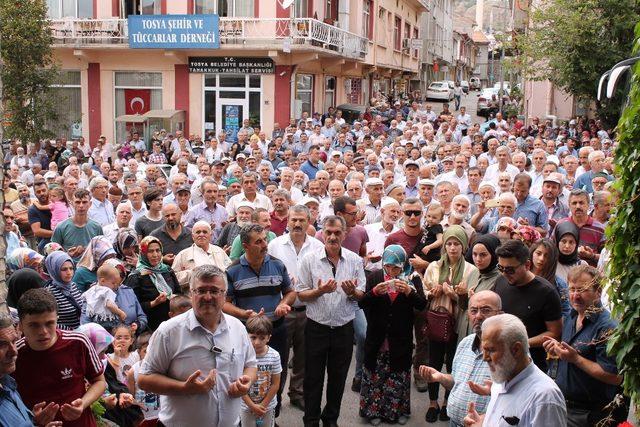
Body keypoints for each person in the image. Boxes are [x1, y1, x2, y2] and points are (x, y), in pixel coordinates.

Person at [138, 265, 257, 426]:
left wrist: (246, 382)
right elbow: (144, 379)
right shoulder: (168, 332)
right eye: (201, 291)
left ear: (224, 295)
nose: (207, 297)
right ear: (191, 293)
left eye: (214, 291)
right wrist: (184, 388)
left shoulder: (238, 328)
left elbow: (250, 365)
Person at [297, 215, 366, 427]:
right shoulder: (308, 259)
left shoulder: (354, 260)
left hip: (343, 328)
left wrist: (352, 291)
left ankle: (330, 419)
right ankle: (310, 420)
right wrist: (319, 291)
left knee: (338, 378)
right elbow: (300, 294)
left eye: (337, 232)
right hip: (316, 327)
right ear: (322, 233)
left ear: (345, 234)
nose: (332, 237)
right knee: (313, 378)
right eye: (328, 232)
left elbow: (362, 294)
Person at [224, 223, 296, 417]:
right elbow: (225, 303)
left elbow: (290, 292)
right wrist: (243, 314)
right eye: (259, 241)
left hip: (276, 330)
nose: (265, 244)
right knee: (244, 375)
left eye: (265, 239)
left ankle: (272, 414)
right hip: (247, 335)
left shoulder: (277, 264)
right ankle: (244, 416)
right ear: (245, 246)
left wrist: (284, 303)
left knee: (275, 375)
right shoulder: (232, 270)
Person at [543, 265, 626, 426]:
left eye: (582, 290)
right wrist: (557, 350)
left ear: (599, 290)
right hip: (563, 406)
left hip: (588, 414)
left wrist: (575, 358)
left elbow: (615, 377)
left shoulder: (607, 327)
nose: (575, 296)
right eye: (572, 289)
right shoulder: (572, 317)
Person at [14, 288, 107, 427]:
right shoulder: (14, 355)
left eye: (49, 323)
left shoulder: (78, 342)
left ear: (57, 319)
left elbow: (99, 382)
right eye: (34, 325)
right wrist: (33, 419)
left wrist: (83, 404)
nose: (43, 332)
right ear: (20, 326)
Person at [359, 245, 427, 425]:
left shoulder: (412, 278)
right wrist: (374, 292)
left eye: (396, 267)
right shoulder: (374, 276)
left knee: (398, 375)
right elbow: (362, 303)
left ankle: (398, 411)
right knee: (375, 375)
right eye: (387, 266)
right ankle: (373, 412)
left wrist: (408, 292)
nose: (391, 271)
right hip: (377, 336)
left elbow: (422, 305)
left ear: (403, 265)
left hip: (400, 337)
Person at [267, 204, 325, 410]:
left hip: (309, 310)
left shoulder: (318, 246)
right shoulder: (275, 245)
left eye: (302, 220)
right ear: (288, 222)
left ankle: (297, 392)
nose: (298, 224)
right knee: (279, 356)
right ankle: (276, 395)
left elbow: (323, 275)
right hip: (283, 310)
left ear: (309, 222)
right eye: (294, 220)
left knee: (303, 356)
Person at [463, 314, 567, 427]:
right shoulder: (503, 377)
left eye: (491, 350)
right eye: (484, 350)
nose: (485, 358)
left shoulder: (544, 398)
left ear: (516, 350)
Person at [421, 225, 479, 423]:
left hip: (458, 324)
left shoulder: (471, 270)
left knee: (454, 362)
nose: (453, 248)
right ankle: (432, 402)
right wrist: (432, 293)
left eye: (457, 244)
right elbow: (423, 290)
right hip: (436, 319)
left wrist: (454, 294)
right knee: (433, 361)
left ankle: (447, 402)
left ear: (463, 246)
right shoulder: (434, 266)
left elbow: (472, 299)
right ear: (444, 246)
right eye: (449, 244)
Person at [418, 290, 502, 427]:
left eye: (486, 310)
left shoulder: (511, 350)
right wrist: (440, 377)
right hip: (455, 422)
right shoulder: (465, 343)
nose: (479, 316)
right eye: (473, 311)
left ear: (500, 314)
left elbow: (518, 399)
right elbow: (456, 382)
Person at [494, 239, 563, 371]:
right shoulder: (500, 281)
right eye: (500, 268)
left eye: (510, 270)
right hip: (501, 360)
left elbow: (555, 333)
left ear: (527, 265)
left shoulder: (546, 292)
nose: (504, 273)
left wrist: (523, 343)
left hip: (531, 365)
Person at [124, 236, 181, 331]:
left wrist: (174, 298)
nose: (155, 255)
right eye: (150, 251)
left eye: (158, 250)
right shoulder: (136, 276)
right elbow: (131, 307)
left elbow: (179, 292)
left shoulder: (167, 270)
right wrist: (154, 303)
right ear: (143, 253)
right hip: (150, 326)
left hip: (172, 323)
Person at [241, 316, 282, 427]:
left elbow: (275, 384)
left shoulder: (274, 356)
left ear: (268, 338)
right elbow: (238, 384)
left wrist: (263, 405)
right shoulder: (242, 355)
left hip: (267, 406)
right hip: (246, 406)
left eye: (262, 338)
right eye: (253, 337)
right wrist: (252, 406)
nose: (257, 342)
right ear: (246, 336)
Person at [172, 220, 232, 288]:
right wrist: (192, 273)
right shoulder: (183, 255)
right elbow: (173, 279)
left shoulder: (219, 251)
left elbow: (229, 272)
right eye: (198, 232)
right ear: (193, 236)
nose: (201, 235)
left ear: (210, 235)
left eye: (205, 232)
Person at [529, 239, 571, 317]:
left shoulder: (559, 284)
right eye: (538, 253)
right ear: (532, 253)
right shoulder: (520, 276)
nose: (541, 259)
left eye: (546, 256)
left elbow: (566, 311)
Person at [44, 251, 83, 331]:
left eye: (71, 268)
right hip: (65, 336)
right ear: (54, 270)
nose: (69, 273)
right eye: (64, 269)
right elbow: (49, 321)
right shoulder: (49, 293)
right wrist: (72, 332)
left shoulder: (73, 286)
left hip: (82, 332)